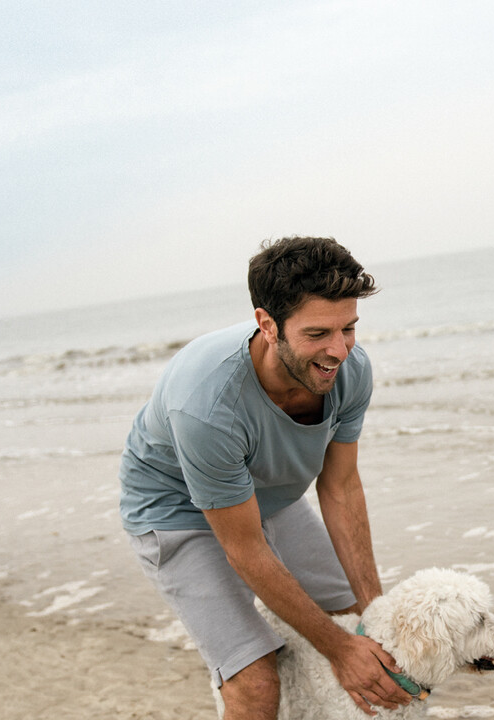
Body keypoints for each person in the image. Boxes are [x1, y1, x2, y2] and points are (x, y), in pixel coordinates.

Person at [119, 236, 412, 719]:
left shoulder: (350, 370)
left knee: (354, 622)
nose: (339, 350)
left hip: (265, 492)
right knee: (255, 678)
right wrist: (340, 652)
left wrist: (372, 616)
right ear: (267, 325)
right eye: (318, 333)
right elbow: (245, 549)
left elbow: (339, 487)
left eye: (350, 328)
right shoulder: (206, 405)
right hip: (175, 509)